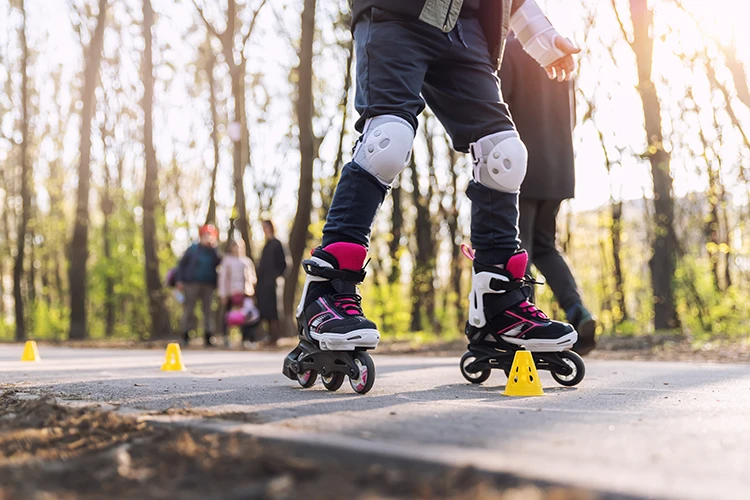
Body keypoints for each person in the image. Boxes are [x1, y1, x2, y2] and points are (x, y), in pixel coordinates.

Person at [285, 0, 582, 383]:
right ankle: (325, 294)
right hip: (395, 15)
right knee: (387, 141)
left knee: (504, 154)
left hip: (466, 25)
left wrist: (542, 37)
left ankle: (500, 305)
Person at [499, 35, 597, 355]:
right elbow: (570, 114)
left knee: (521, 247)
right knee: (545, 245)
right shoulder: (556, 52)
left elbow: (497, 108)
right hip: (558, 166)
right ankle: (578, 311)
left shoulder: (509, 50)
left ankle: (526, 323)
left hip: (522, 165)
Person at [177, 224, 221, 347]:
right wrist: (180, 280)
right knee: (189, 309)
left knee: (207, 311)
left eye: (210, 235)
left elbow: (219, 263)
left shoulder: (213, 251)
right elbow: (181, 265)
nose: (208, 237)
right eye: (206, 235)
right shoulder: (193, 249)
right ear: (201, 236)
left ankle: (208, 336)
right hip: (191, 283)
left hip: (208, 284)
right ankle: (185, 335)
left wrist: (214, 249)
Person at [217, 239, 258, 347]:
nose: (237, 249)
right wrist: (223, 294)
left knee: (248, 317)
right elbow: (223, 278)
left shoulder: (247, 261)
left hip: (245, 293)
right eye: (235, 246)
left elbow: (252, 277)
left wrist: (251, 291)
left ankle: (247, 339)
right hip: (231, 293)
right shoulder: (227, 261)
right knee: (228, 316)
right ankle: (226, 338)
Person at [256, 220, 287, 347]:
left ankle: (276, 337)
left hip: (273, 283)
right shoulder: (266, 245)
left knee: (274, 310)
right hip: (263, 283)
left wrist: (276, 276)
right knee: (265, 310)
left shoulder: (277, 244)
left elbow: (284, 264)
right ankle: (269, 336)